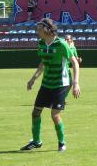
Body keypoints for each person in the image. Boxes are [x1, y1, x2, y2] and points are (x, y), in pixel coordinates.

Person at [21, 18, 81, 152]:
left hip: (61, 84)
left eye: (39, 29)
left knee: (54, 115)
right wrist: (33, 79)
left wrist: (76, 83)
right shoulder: (41, 43)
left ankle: (62, 143)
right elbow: (43, 63)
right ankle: (36, 142)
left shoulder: (62, 44)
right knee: (35, 112)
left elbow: (75, 63)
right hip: (46, 83)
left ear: (47, 30)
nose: (37, 32)